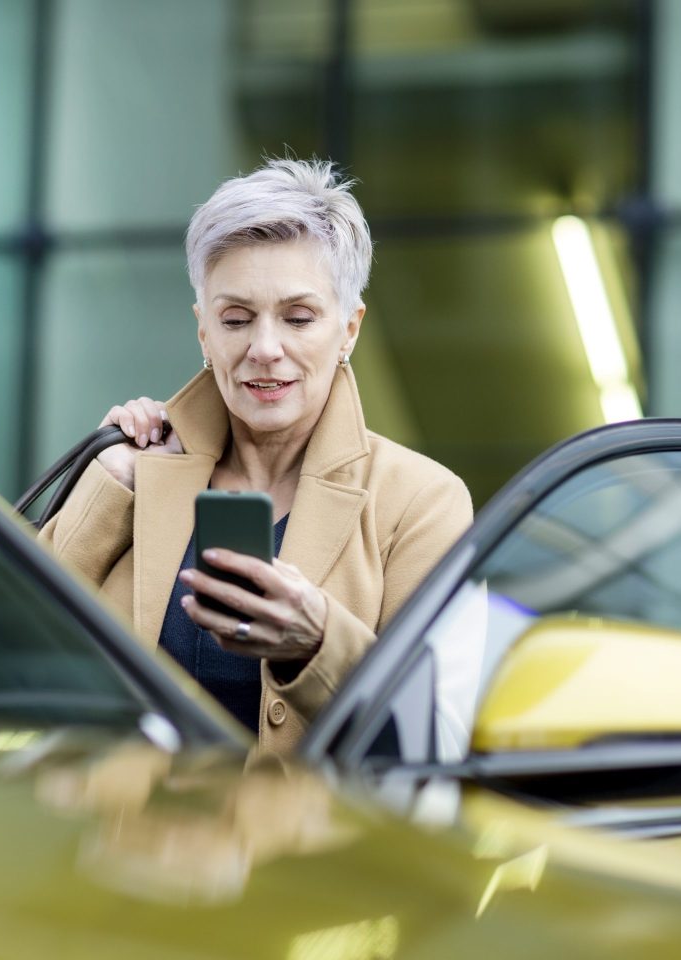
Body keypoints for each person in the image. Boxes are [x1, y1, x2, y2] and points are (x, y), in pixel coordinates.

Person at [40, 159, 472, 752]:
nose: (265, 348)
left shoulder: (421, 502)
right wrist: (110, 482)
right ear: (204, 331)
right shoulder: (137, 474)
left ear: (349, 329)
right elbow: (5, 652)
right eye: (236, 319)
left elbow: (435, 738)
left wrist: (318, 643)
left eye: (298, 318)